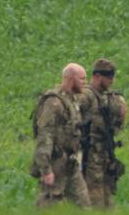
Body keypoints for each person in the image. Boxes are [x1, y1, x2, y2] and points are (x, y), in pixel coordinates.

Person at [30, 63, 87, 206]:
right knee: (50, 204)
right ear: (70, 79)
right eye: (82, 79)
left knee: (84, 205)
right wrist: (46, 170)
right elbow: (45, 136)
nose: (85, 82)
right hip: (56, 163)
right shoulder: (53, 103)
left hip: (71, 163)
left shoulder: (72, 100)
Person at [77, 59, 128, 208]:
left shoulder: (105, 96)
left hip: (104, 156)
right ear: (98, 76)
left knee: (108, 201)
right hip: (90, 157)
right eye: (109, 77)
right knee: (94, 199)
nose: (112, 81)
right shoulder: (86, 95)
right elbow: (71, 115)